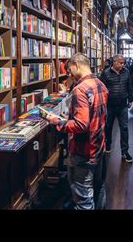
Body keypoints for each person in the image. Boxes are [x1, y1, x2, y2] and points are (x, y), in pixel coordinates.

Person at [46, 53, 108, 210]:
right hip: (99, 145)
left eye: (69, 70)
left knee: (83, 199)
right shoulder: (100, 84)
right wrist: (71, 116)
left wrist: (57, 121)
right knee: (99, 188)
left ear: (76, 65)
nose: (69, 74)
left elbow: (81, 125)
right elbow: (96, 114)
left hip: (83, 151)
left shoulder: (80, 90)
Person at [100, 54, 133, 163]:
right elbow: (101, 89)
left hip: (123, 105)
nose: (123, 65)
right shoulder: (105, 73)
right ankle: (108, 145)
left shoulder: (126, 72)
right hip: (110, 105)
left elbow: (129, 86)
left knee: (124, 127)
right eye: (120, 63)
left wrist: (131, 99)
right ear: (114, 62)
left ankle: (125, 151)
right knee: (108, 126)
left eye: (123, 63)